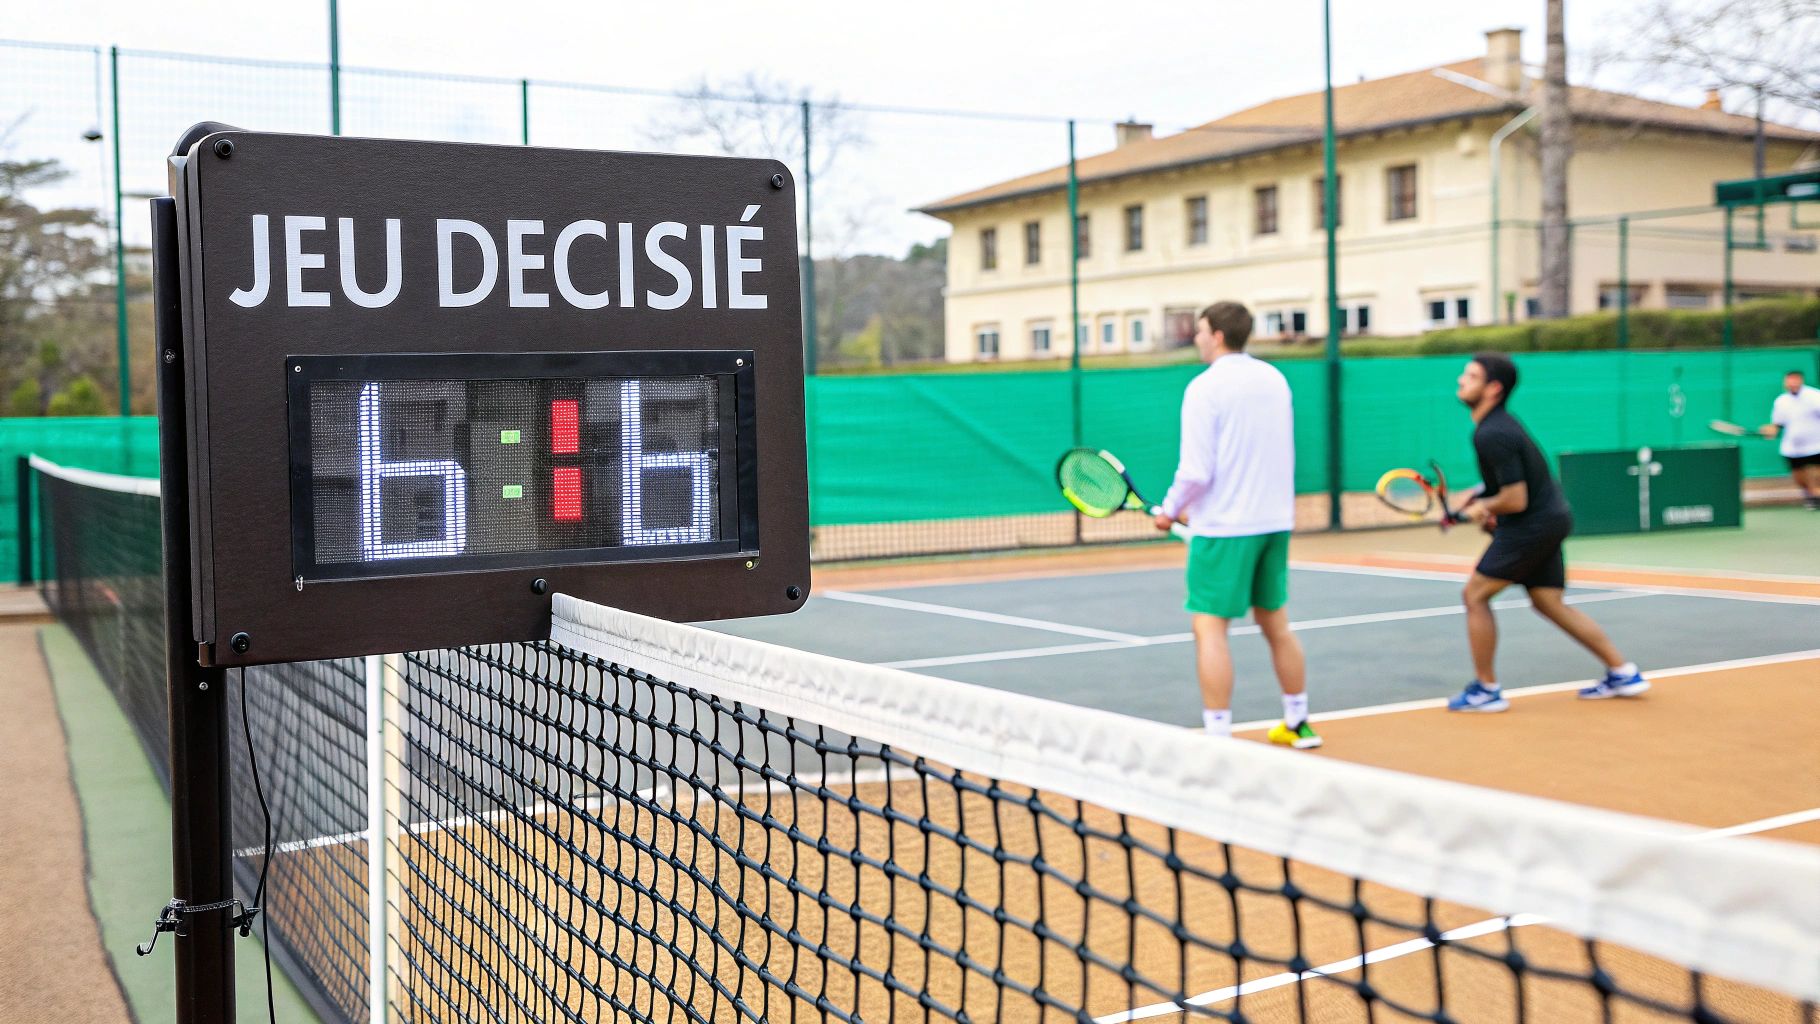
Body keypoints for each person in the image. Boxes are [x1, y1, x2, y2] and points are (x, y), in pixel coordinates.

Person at [1154, 301, 1317, 748]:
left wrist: (1170, 509)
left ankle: (1218, 735)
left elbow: (1196, 470)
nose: (1197, 338)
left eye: (1201, 330)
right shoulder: (1275, 380)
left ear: (1218, 335)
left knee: (1209, 629)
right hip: (1273, 522)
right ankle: (1298, 722)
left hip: (1225, 528)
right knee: (1277, 624)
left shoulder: (1204, 388)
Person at [1447, 353, 1648, 712]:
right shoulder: (1499, 426)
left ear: (1493, 388)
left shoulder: (1492, 433)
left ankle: (1486, 690)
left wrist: (1482, 508)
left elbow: (1515, 498)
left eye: (1471, 376)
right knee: (1547, 601)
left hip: (1533, 523)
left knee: (1474, 596)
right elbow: (1512, 483)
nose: (1461, 380)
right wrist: (1479, 495)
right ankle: (1623, 673)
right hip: (1551, 518)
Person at [1764, 369, 1820, 510]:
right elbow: (1777, 424)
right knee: (1799, 478)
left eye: (1795, 380)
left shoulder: (1814, 396)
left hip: (1816, 445)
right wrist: (1771, 430)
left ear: (1801, 380)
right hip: (1792, 448)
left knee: (1815, 474)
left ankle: (1816, 494)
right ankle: (1812, 495)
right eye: (1789, 381)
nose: (1792, 383)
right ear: (1785, 383)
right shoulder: (1781, 401)